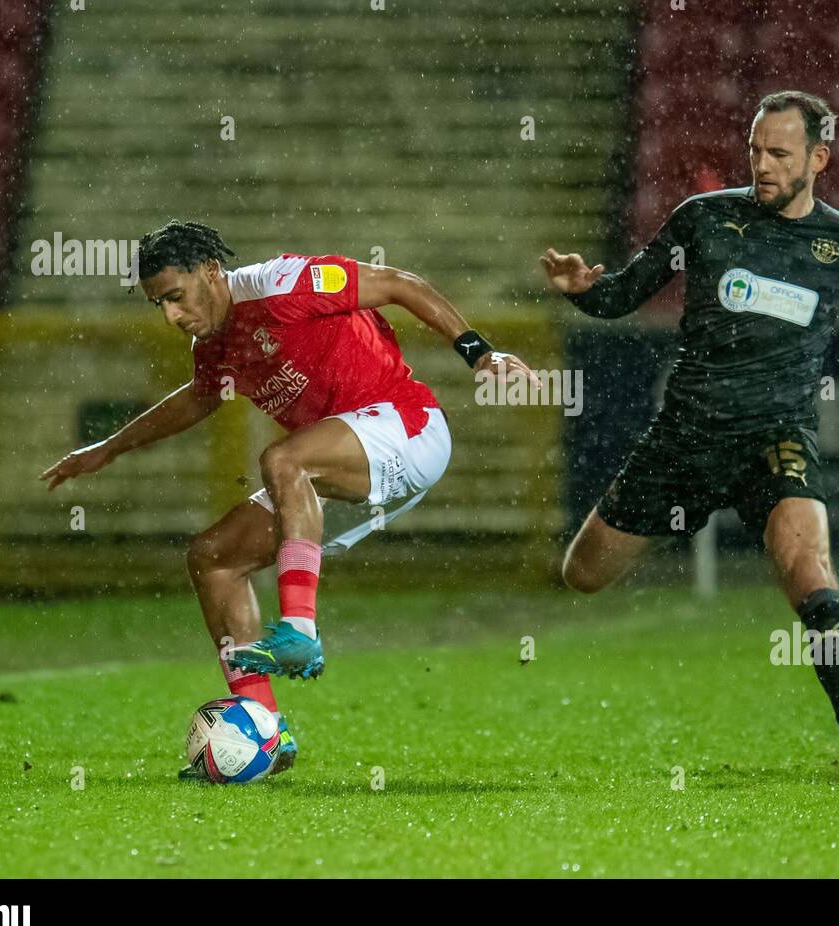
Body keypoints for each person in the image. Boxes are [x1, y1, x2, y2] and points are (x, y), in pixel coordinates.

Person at [539, 92, 839, 774]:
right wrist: (580, 290)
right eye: (755, 151)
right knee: (583, 575)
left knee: (811, 572)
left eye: (779, 153)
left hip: (776, 438)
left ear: (817, 159)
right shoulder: (704, 220)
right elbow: (623, 294)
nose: (762, 165)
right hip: (684, 437)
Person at [41, 220, 535, 778]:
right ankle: (268, 732)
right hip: (336, 471)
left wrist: (481, 355)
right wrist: (110, 448)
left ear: (210, 273)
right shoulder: (215, 343)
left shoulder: (281, 284)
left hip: (407, 426)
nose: (171, 317)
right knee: (214, 558)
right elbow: (200, 399)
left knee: (282, 459)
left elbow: (399, 284)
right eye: (159, 305)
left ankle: (300, 631)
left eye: (175, 298)